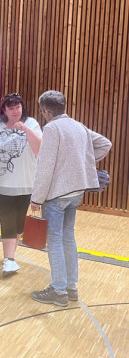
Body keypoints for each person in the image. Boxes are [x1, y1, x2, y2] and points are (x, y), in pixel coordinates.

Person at [30, 91, 111, 307]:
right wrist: (83, 161)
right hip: (76, 193)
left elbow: (45, 167)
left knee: (55, 240)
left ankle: (58, 290)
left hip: (56, 195)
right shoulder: (78, 126)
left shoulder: (52, 129)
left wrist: (37, 198)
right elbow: (105, 144)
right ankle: (70, 287)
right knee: (68, 237)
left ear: (46, 111)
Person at [0, 93, 42, 277]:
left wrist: (24, 129)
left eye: (18, 107)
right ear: (4, 110)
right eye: (11, 108)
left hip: (25, 184)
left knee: (19, 223)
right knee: (7, 221)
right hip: (0, 185)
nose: (15, 111)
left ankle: (11, 254)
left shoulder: (32, 124)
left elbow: (39, 148)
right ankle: (9, 260)